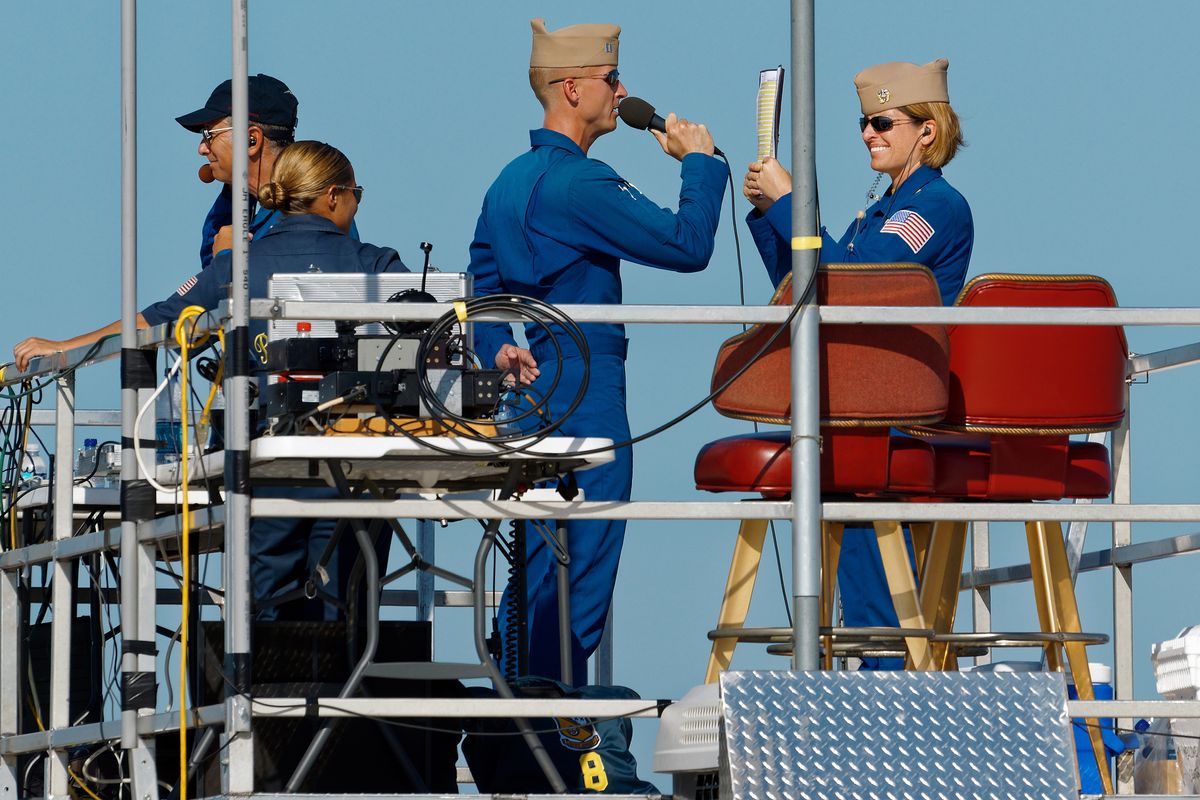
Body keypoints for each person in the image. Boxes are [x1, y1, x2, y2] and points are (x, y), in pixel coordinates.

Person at [14, 141, 406, 621]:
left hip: (265, 457)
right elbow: (433, 335)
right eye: (355, 193)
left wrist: (64, 349)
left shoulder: (236, 266)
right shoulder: (377, 265)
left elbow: (152, 325)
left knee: (265, 603)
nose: (356, 203)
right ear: (331, 196)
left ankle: (267, 690)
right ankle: (343, 688)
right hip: (357, 462)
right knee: (347, 601)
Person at [467, 18, 727, 683]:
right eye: (612, 81)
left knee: (532, 578)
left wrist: (498, 346)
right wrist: (700, 165)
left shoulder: (506, 181)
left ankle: (518, 725)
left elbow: (481, 283)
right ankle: (553, 731)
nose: (623, 91)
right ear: (574, 88)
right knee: (580, 579)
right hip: (589, 389)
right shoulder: (581, 183)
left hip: (530, 393)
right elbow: (686, 246)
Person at [742, 58, 972, 669]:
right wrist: (775, 213)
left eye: (881, 122)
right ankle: (873, 668)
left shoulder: (934, 207)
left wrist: (792, 202)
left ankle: (887, 675)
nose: (868, 133)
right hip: (859, 397)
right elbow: (806, 285)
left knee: (869, 545)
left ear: (927, 129)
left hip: (890, 405)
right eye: (864, 124)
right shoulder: (888, 208)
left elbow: (855, 282)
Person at [175, 73, 301, 270]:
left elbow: (247, 291)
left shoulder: (305, 213)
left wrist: (227, 257)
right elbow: (210, 276)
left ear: (251, 140)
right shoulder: (253, 207)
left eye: (208, 134)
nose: (202, 148)